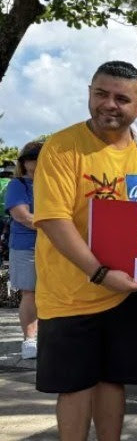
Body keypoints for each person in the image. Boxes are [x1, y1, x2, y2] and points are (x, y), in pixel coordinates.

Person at [34, 60, 137, 441]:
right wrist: (99, 272)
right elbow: (53, 220)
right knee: (74, 388)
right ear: (89, 93)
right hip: (73, 293)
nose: (110, 104)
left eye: (122, 98)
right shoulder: (63, 146)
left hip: (129, 292)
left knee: (113, 382)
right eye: (102, 94)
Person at [7, 141, 42, 360]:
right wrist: (56, 228)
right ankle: (30, 340)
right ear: (23, 162)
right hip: (26, 246)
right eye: (30, 157)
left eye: (39, 156)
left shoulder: (56, 182)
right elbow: (21, 215)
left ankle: (50, 336)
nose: (35, 160)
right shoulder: (17, 184)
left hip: (57, 245)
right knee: (30, 292)